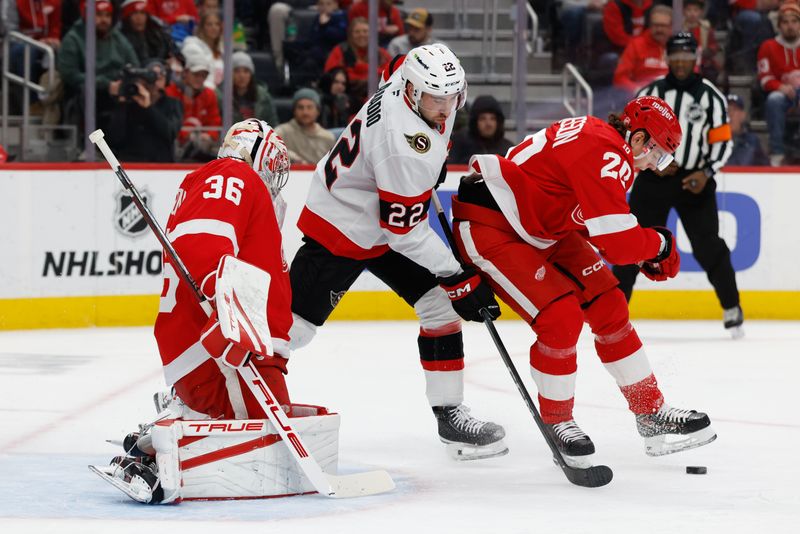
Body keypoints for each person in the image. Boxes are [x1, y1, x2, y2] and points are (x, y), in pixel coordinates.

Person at [450, 95, 716, 466]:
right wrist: (659, 244)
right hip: (492, 225)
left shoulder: (599, 138)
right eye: (658, 153)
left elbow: (576, 213)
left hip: (538, 227)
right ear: (638, 139)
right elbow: (619, 244)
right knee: (561, 317)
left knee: (609, 303)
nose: (655, 165)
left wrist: (639, 248)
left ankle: (650, 411)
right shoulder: (611, 153)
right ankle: (558, 421)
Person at [289, 44, 507, 460]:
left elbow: (397, 62)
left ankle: (450, 416)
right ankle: (207, 386)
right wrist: (457, 274)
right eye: (434, 99)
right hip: (345, 224)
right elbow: (403, 234)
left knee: (441, 310)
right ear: (410, 91)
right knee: (291, 330)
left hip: (382, 210)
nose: (445, 109)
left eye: (451, 97)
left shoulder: (407, 77)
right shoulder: (404, 144)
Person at [98, 119, 293, 504]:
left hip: (230, 346)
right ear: (258, 153)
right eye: (273, 163)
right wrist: (225, 310)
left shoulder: (223, 181)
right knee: (268, 443)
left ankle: (167, 431)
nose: (276, 175)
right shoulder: (232, 175)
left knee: (271, 430)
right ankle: (162, 453)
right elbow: (201, 243)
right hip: (224, 348)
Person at [612, 33, 743, 338]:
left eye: (686, 55)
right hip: (652, 179)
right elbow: (629, 132)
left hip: (694, 181)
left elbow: (722, 142)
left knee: (708, 246)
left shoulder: (711, 96)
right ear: (667, 58)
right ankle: (614, 316)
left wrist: (706, 172)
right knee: (631, 245)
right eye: (675, 55)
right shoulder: (650, 91)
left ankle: (732, 308)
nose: (681, 60)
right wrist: (652, 161)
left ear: (695, 58)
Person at [57, 0, 139, 133]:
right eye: (99, 15)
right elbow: (70, 74)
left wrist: (125, 83)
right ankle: (89, 143)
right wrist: (106, 84)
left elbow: (134, 64)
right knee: (88, 92)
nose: (104, 20)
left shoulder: (117, 37)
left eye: (107, 15)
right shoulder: (73, 38)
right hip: (88, 91)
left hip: (118, 87)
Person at [106, 60, 183, 162]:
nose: (155, 79)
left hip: (162, 166)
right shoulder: (130, 103)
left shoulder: (173, 104)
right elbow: (114, 138)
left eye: (161, 76)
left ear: (166, 80)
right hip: (131, 164)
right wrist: (122, 104)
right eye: (151, 75)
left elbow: (170, 133)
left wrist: (148, 107)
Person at [757, 1, 800, 166]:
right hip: (783, 94)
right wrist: (780, 87)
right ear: (779, 25)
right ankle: (777, 153)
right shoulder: (768, 46)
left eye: (794, 21)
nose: (790, 26)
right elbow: (764, 77)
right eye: (785, 22)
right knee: (774, 100)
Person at [324, 16, 391, 106]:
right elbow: (331, 76)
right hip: (348, 97)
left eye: (365, 31)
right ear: (351, 35)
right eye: (357, 32)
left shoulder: (381, 53)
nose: (361, 35)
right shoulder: (340, 50)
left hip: (377, 98)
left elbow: (391, 74)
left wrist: (361, 70)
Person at [166, 53, 222, 160]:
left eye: (203, 75)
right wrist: (187, 135)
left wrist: (209, 136)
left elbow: (214, 122)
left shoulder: (209, 94)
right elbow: (169, 124)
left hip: (202, 146)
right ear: (185, 72)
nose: (200, 79)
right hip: (175, 146)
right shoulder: (171, 92)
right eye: (196, 74)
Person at [612, 5, 671, 97]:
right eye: (655, 25)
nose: (659, 29)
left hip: (674, 95)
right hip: (643, 96)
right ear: (649, 25)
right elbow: (620, 78)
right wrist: (638, 90)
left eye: (663, 26)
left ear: (671, 26)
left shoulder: (679, 46)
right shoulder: (636, 45)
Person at [275, 88, 336, 165]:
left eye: (309, 107)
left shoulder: (328, 138)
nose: (305, 112)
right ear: (294, 111)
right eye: (300, 107)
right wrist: (291, 157)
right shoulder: (281, 132)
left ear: (318, 111)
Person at [218, 50, 279, 127]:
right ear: (230, 74)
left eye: (246, 71)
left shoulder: (263, 96)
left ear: (251, 74)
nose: (242, 76)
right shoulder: (220, 96)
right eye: (237, 71)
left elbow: (273, 124)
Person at [449, 95, 513, 164]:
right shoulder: (460, 143)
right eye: (483, 118)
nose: (488, 124)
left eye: (492, 119)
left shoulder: (507, 148)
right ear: (475, 122)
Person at [120, 0, 174, 65]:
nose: (139, 18)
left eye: (142, 13)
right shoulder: (121, 39)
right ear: (127, 17)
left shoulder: (158, 32)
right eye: (134, 13)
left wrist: (175, 60)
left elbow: (175, 52)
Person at [181, 9, 223, 88]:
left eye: (217, 24)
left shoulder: (222, 50)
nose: (214, 28)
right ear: (202, 27)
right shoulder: (192, 47)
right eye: (209, 24)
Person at [682, 0, 722, 82]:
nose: (692, 13)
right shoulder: (680, 27)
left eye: (695, 10)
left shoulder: (705, 28)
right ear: (684, 11)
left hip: (703, 62)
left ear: (701, 12)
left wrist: (708, 51)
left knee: (710, 73)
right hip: (683, 60)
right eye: (689, 10)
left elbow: (713, 45)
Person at [726, 93, 771, 166]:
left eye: (734, 110)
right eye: (727, 110)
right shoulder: (713, 141)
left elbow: (766, 169)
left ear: (742, 115)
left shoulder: (752, 141)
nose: (730, 114)